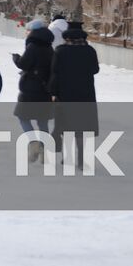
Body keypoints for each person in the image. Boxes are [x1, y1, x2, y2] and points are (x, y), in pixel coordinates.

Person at [48, 21, 99, 167]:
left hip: (65, 95)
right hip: (86, 94)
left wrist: (53, 93)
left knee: (67, 127)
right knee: (83, 130)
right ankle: (83, 160)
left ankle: (68, 157)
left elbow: (55, 74)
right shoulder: (90, 51)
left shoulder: (60, 51)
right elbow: (95, 70)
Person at [13, 19, 55, 161]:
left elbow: (24, 64)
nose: (26, 33)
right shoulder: (49, 47)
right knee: (42, 121)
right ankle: (44, 151)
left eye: (28, 30)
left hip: (30, 88)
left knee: (22, 117)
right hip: (45, 89)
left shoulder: (32, 46)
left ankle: (33, 143)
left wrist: (17, 59)